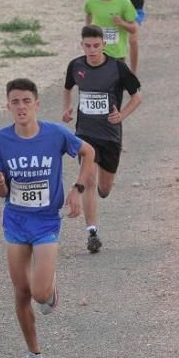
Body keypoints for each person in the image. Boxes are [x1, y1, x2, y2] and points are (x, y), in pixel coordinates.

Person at [0, 78, 95, 358]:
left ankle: (49, 291)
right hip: (16, 221)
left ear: (36, 104)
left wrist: (77, 189)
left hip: (46, 221)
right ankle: (34, 355)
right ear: (8, 106)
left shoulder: (55, 134)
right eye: (15, 102)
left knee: (39, 294)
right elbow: (2, 193)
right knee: (21, 292)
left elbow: (89, 152)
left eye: (26, 101)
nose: (21, 107)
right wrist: (0, 182)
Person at [62, 25, 141, 253]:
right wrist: (67, 109)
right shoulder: (76, 66)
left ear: (104, 45)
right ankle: (92, 233)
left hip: (110, 136)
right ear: (82, 45)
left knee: (104, 189)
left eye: (96, 45)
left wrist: (121, 115)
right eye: (88, 46)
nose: (92, 50)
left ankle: (99, 196)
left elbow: (137, 97)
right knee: (89, 181)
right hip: (85, 134)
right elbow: (67, 88)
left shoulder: (117, 67)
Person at [84, 0, 137, 65]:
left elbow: (133, 29)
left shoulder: (124, 2)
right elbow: (88, 14)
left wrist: (121, 23)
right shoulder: (91, 1)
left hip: (117, 55)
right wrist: (88, 32)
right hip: (97, 53)